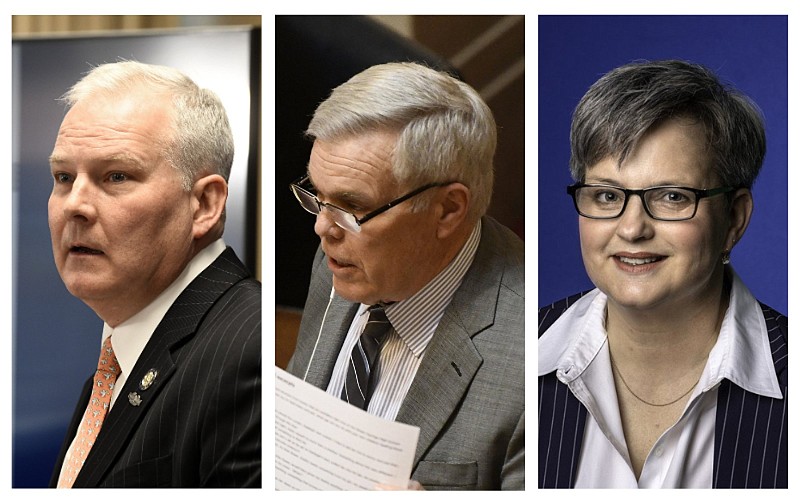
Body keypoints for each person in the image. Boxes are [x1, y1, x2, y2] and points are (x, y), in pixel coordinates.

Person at [538, 60, 787, 488]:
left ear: (734, 219)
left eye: (672, 196)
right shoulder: (524, 348)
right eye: (606, 195)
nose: (632, 228)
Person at [285, 62, 524, 490]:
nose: (323, 228)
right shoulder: (340, 264)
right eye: (317, 196)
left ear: (448, 209)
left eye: (351, 206)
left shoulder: (535, 352)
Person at [47, 61, 261, 488]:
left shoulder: (248, 354)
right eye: (64, 177)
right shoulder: (117, 362)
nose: (75, 205)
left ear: (204, 205)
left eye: (117, 176)